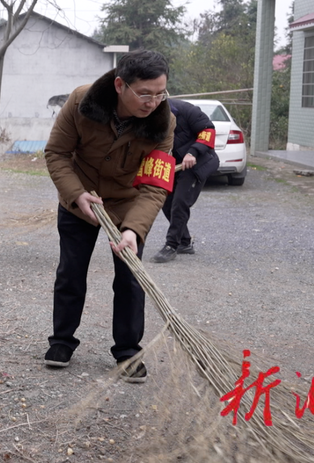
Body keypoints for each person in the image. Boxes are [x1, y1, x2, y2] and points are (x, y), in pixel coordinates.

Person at [43, 50, 175, 383]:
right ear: (120, 85)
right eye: (145, 93)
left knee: (131, 280)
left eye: (160, 93)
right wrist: (75, 194)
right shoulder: (79, 102)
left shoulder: (164, 123)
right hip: (81, 197)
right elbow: (56, 153)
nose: (153, 102)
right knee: (71, 273)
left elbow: (155, 186)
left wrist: (134, 229)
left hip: (129, 204)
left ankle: (128, 351)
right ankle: (61, 341)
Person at [151, 99, 220, 263]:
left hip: (197, 162)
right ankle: (184, 242)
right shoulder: (147, 118)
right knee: (167, 203)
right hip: (173, 166)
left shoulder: (187, 110)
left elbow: (208, 130)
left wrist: (193, 152)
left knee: (180, 202)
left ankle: (171, 245)